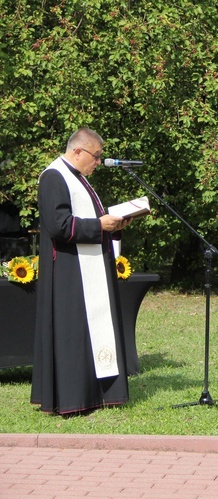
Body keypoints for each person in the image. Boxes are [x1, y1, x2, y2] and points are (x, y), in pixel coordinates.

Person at [31, 128, 132, 415]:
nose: (98, 162)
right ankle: (73, 398)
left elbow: (89, 220)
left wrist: (113, 226)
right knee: (72, 333)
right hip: (68, 271)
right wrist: (100, 226)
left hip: (85, 266)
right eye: (96, 156)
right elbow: (59, 225)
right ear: (78, 151)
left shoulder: (78, 178)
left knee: (91, 330)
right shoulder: (54, 177)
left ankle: (95, 393)